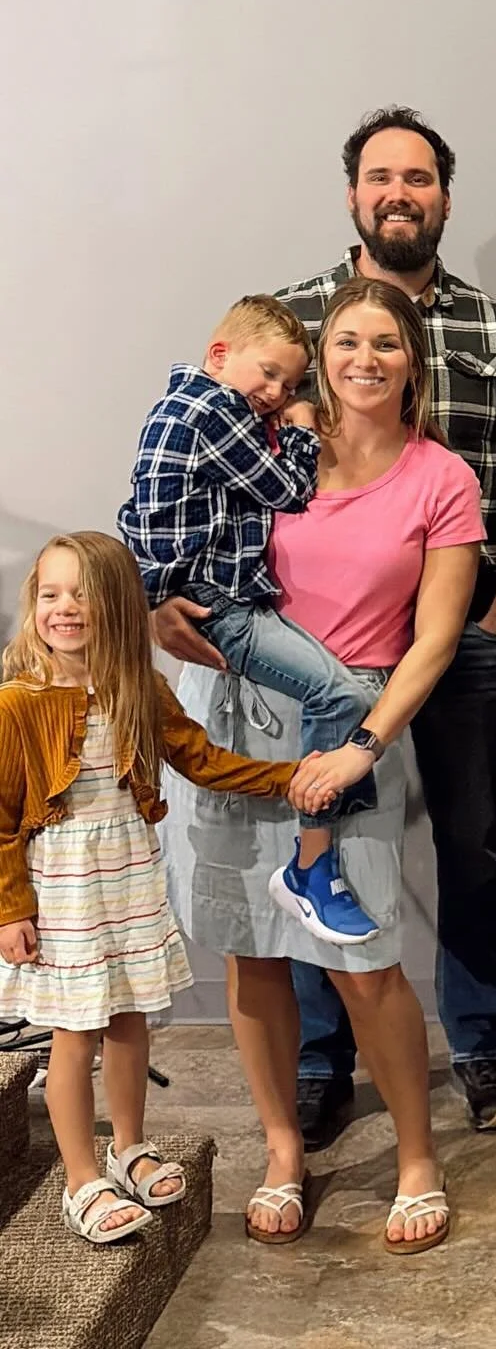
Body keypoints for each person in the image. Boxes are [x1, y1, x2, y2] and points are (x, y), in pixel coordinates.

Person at [161, 105, 496, 1147]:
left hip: (443, 629)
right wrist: (164, 590)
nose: (399, 193)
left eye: (419, 178)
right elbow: (197, 473)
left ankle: (478, 1052)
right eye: (381, 176)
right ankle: (323, 1065)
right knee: (314, 858)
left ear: (443, 197)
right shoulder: (289, 323)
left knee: (468, 851)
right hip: (293, 662)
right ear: (353, 193)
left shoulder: (495, 330)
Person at [161, 278, 484, 1253]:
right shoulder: (264, 448)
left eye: (386, 343)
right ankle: (281, 1151)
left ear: (411, 362)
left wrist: (362, 746)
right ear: (322, 353)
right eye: (348, 340)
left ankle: (418, 1160)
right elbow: (172, 544)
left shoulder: (442, 479)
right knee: (249, 947)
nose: (365, 359)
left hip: (356, 721)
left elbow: (432, 643)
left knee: (364, 960)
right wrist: (159, 614)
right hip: (235, 717)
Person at [0, 533, 327, 1243]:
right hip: (64, 889)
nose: (64, 608)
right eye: (51, 594)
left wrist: (288, 776)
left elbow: (201, 760)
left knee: (130, 1021)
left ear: (115, 605)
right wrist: (10, 910)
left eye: (81, 594)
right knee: (74, 1032)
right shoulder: (16, 705)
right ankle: (80, 1180)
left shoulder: (138, 690)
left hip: (128, 875)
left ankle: (128, 1148)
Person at [118, 294, 380, 945]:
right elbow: (289, 488)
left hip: (202, 596)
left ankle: (326, 826)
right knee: (343, 692)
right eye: (267, 374)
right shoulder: (216, 409)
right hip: (216, 604)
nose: (274, 392)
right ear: (219, 356)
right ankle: (313, 859)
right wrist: (297, 422)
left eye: (289, 385)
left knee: (343, 697)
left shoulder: (180, 404)